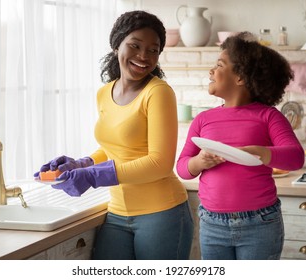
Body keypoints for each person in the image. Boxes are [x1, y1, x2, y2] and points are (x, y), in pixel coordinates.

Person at [34, 10, 193, 260]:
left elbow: (160, 163)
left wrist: (94, 175)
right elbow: (113, 149)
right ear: (117, 44)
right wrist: (82, 164)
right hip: (117, 213)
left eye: (153, 50)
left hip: (161, 213)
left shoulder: (158, 92)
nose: (144, 56)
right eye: (135, 45)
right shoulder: (105, 93)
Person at [176, 32, 304, 260]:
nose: (211, 71)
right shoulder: (203, 120)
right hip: (212, 223)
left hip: (259, 224)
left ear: (241, 78)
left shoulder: (269, 116)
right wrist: (199, 161)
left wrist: (262, 153)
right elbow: (183, 168)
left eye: (219, 65)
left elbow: (295, 157)